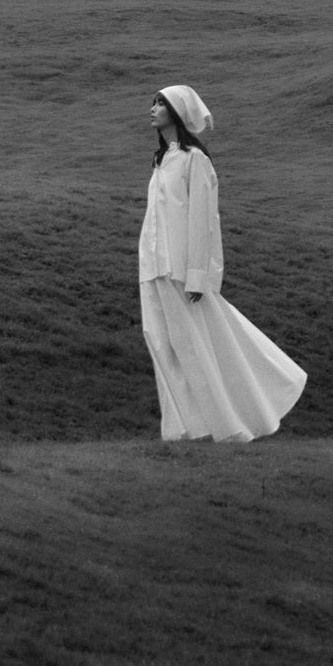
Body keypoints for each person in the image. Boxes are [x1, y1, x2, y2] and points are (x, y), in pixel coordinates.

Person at [138, 84, 306, 442]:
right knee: (160, 341)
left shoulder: (193, 160)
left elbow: (203, 220)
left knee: (194, 345)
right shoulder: (161, 159)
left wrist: (199, 274)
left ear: (177, 112)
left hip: (179, 268)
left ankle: (227, 425)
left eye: (161, 104)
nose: (153, 108)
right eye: (153, 102)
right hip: (152, 266)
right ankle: (182, 428)